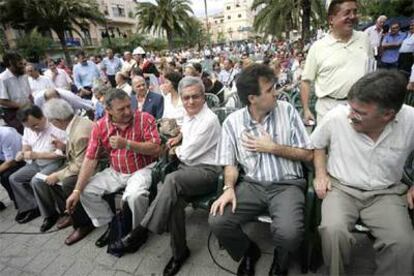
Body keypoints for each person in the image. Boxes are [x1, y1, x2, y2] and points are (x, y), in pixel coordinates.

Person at [108, 77, 222, 276]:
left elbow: (186, 154)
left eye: (195, 97)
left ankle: (141, 230)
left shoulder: (209, 119)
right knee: (173, 203)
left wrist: (174, 148)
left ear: (204, 97)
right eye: (186, 98)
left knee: (171, 180)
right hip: (188, 172)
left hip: (208, 172)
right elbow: (187, 131)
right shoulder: (190, 114)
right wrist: (179, 137)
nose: (190, 102)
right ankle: (179, 253)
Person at [209, 64, 313, 276]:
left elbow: (308, 154)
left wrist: (273, 148)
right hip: (252, 185)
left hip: (287, 185)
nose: (276, 92)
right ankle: (248, 252)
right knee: (218, 221)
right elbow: (230, 163)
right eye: (269, 90)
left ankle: (281, 261)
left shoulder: (288, 111)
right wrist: (228, 187)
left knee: (289, 234)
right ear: (252, 98)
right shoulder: (233, 123)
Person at [311, 70, 414, 275]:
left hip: (386, 192)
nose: (351, 115)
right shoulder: (337, 117)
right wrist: (321, 173)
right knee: (333, 231)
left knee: (403, 243)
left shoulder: (410, 121)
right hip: (342, 189)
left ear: (388, 114)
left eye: (360, 112)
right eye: (351, 107)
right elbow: (318, 146)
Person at [65, 88, 161, 248]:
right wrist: (76, 191)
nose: (128, 111)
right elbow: (90, 159)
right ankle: (112, 225)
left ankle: (139, 230)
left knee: (135, 196)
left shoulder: (145, 118)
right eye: (121, 109)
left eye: (128, 106)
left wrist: (128, 144)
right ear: (108, 110)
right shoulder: (100, 126)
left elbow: (156, 149)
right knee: (85, 191)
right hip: (116, 170)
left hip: (142, 168)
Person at [301, 0, 372, 123]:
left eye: (355, 12)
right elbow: (306, 81)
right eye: (347, 13)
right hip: (328, 110)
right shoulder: (318, 47)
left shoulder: (364, 39)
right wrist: (306, 110)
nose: (353, 17)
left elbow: (371, 72)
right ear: (331, 19)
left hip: (360, 108)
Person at [35, 99, 94, 242]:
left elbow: (81, 165)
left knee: (67, 182)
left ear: (57, 120)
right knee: (51, 179)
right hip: (81, 162)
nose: (51, 124)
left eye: (51, 121)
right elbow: (77, 151)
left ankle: (84, 224)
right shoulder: (76, 122)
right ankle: (70, 213)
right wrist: (63, 147)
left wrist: (58, 175)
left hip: (94, 167)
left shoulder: (79, 132)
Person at [9, 104, 66, 225]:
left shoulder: (56, 127)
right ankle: (33, 206)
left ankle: (50, 214)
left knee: (37, 181)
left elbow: (62, 154)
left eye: (35, 125)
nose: (33, 129)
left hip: (54, 162)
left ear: (42, 117)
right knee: (14, 178)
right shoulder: (29, 128)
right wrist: (23, 152)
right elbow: (26, 142)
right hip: (36, 163)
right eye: (29, 127)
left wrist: (36, 155)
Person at [0, 52, 32, 133]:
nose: (23, 66)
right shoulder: (2, 78)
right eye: (20, 63)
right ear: (11, 63)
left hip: (28, 108)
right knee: (24, 133)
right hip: (13, 113)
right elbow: (2, 101)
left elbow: (29, 94)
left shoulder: (24, 75)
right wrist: (21, 106)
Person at [0, 126, 25, 211]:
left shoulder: (6, 134)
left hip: (20, 159)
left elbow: (11, 162)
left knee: (5, 177)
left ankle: (20, 201)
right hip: (5, 158)